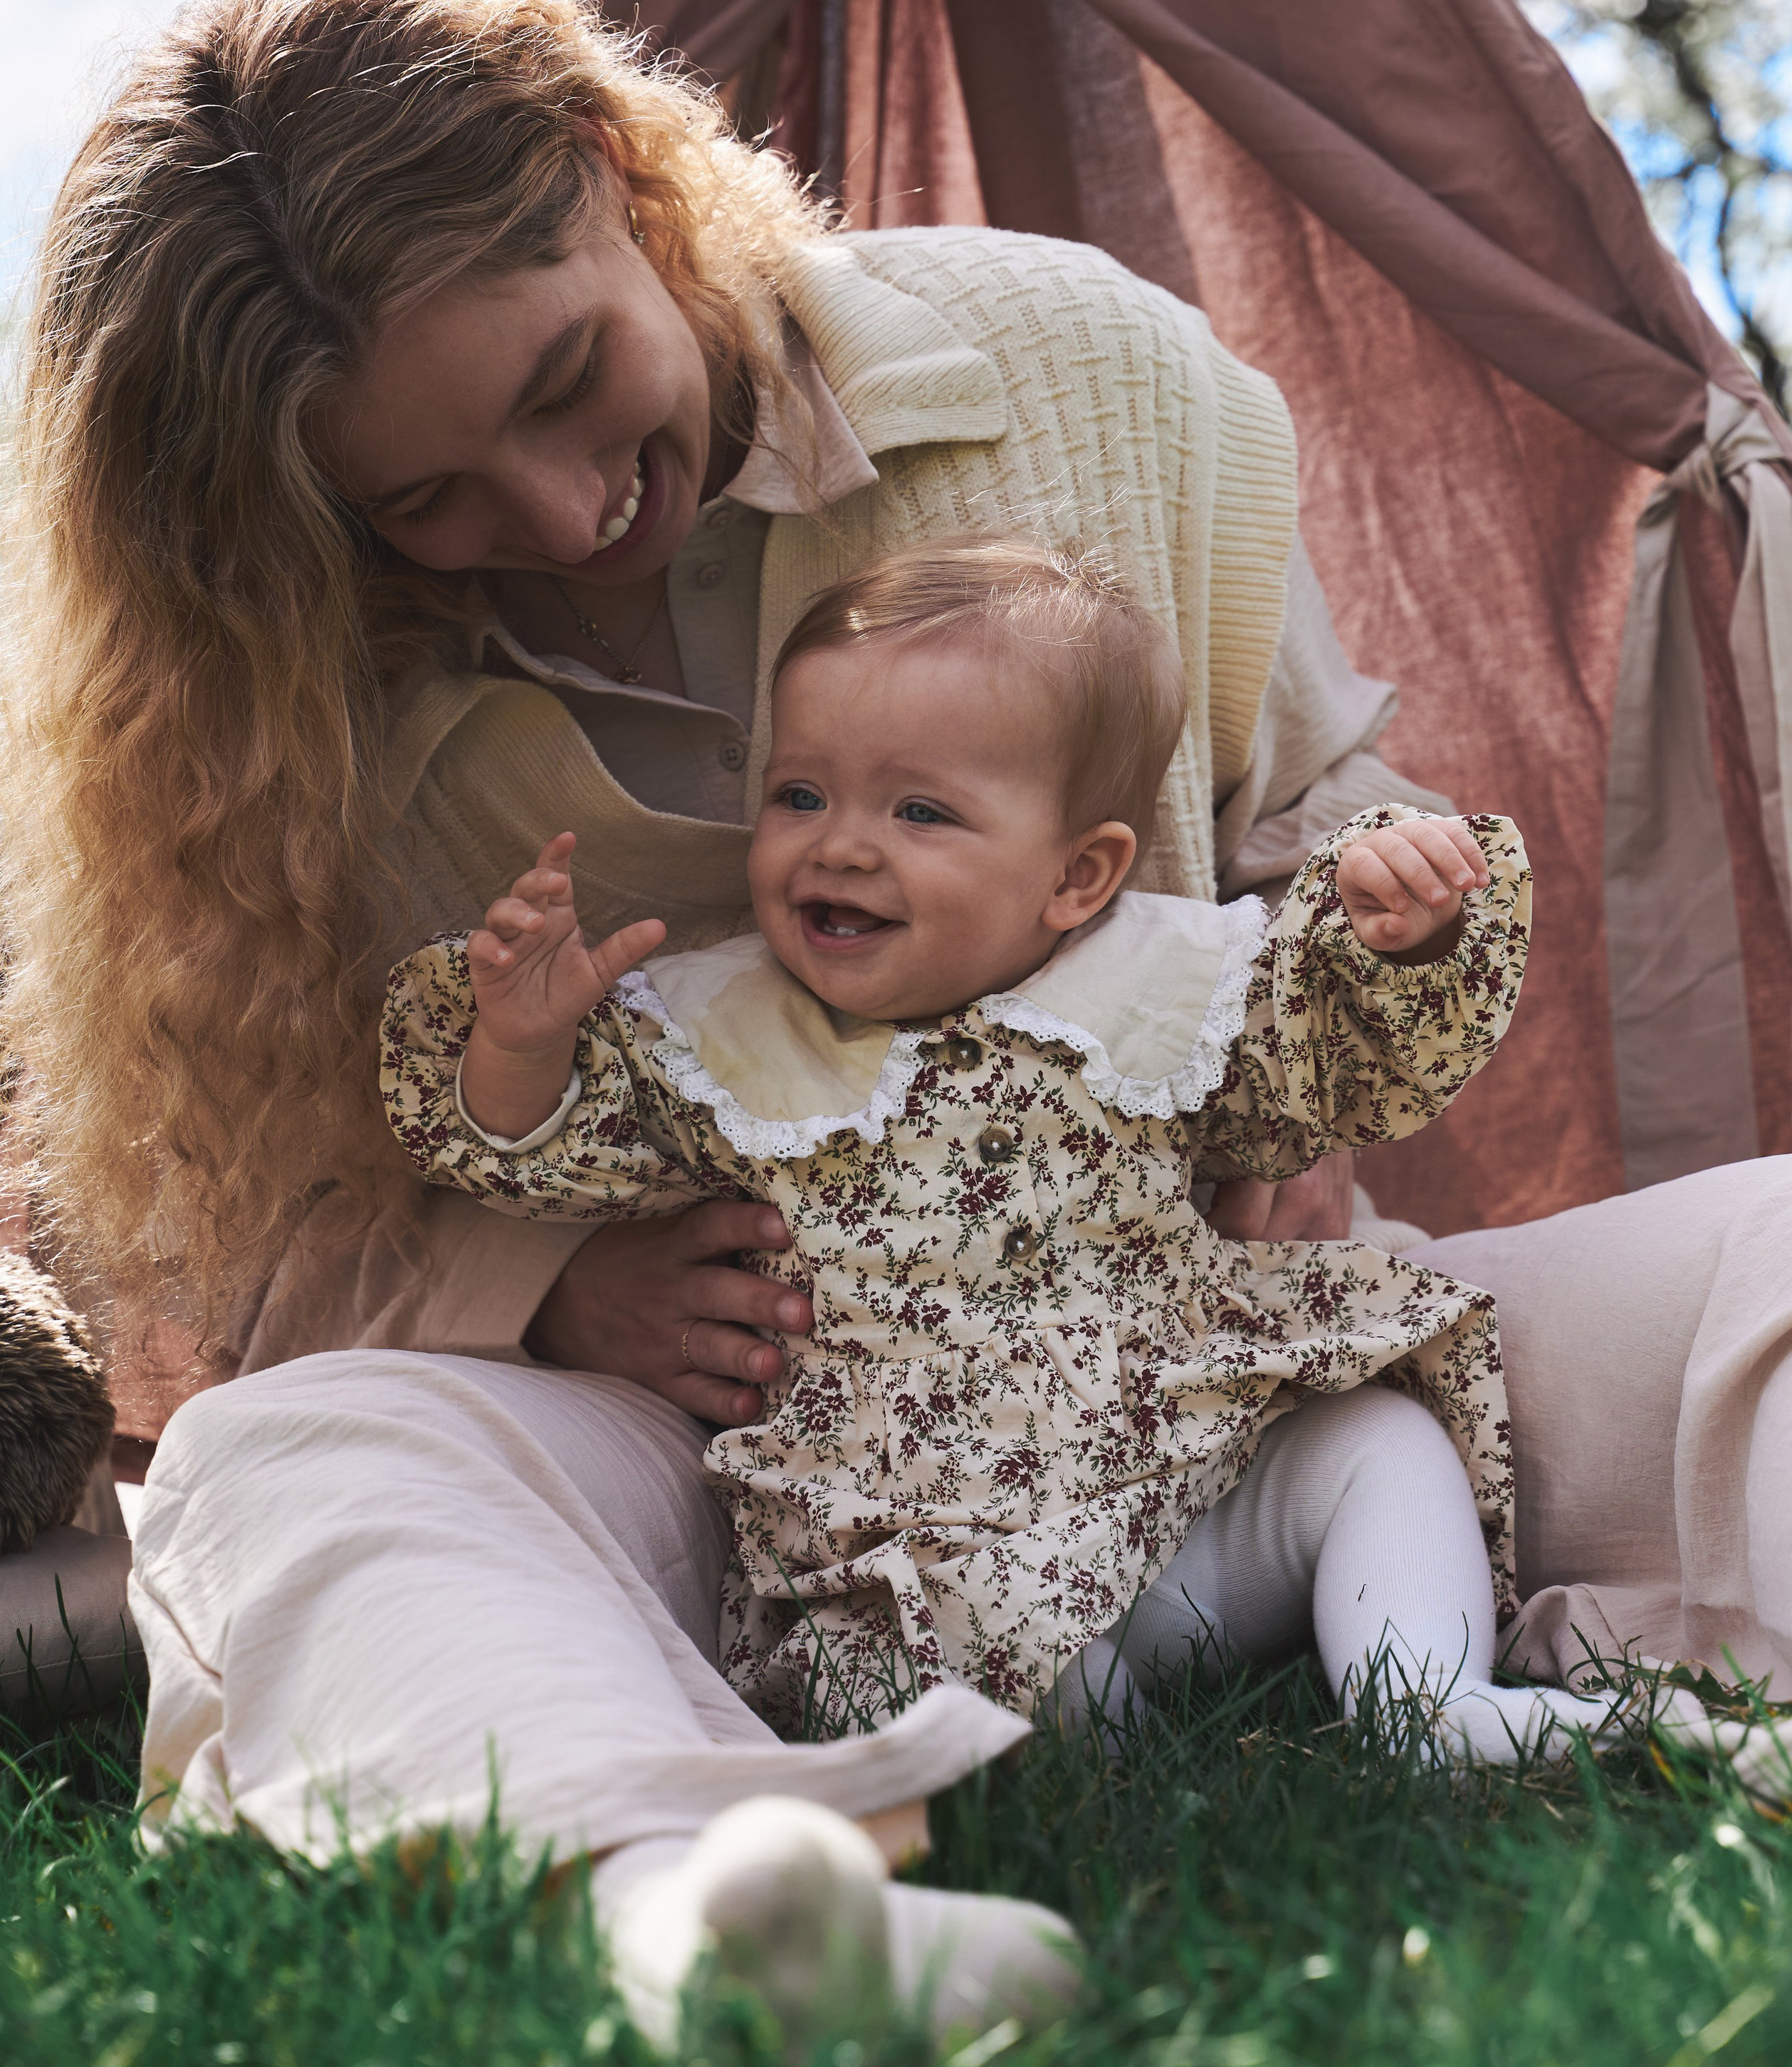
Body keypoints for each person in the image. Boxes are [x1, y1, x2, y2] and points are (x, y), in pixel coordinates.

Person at [4, 0, 1792, 2031]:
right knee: (290, 1454)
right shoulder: (279, 713)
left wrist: (1361, 920)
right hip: (730, 1476)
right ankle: (693, 1899)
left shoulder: (1075, 367)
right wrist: (551, 1289)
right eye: (420, 498)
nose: (558, 510)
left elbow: (1310, 805)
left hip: (1215, 1367)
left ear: (608, 167)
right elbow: (275, 1243)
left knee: (1781, 1248)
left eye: (563, 381)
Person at [386, 533, 1652, 1789]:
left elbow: (1329, 1067)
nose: (840, 845)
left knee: (1375, 1443)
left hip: (1194, 1476)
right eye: (801, 795)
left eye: (920, 811)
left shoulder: (1158, 987)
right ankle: (1116, 1788)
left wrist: (1395, 935)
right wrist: (521, 1045)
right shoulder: (726, 1031)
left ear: (1079, 875)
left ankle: (1431, 1701)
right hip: (946, 1544)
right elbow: (551, 1160)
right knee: (949, 1655)